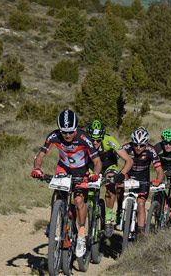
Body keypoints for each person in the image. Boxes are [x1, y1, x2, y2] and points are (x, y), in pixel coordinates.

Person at [30, 109, 102, 258]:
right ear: (59, 129)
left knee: (78, 200)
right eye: (64, 132)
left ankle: (81, 236)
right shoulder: (53, 136)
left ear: (75, 129)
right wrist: (37, 168)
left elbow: (97, 161)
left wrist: (95, 174)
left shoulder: (84, 138)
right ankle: (54, 219)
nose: (67, 135)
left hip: (82, 170)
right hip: (63, 167)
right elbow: (40, 155)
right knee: (57, 192)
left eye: (70, 132)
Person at [86, 120, 133, 238]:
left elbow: (129, 160)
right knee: (87, 188)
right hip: (92, 165)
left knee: (110, 186)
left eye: (98, 140)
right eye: (92, 139)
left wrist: (121, 174)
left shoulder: (109, 141)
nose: (95, 142)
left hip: (108, 165)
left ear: (102, 137)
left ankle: (108, 219)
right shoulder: (84, 141)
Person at [121, 126, 164, 234]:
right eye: (135, 144)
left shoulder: (151, 150)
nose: (138, 148)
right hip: (129, 175)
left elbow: (159, 170)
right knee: (117, 187)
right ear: (132, 142)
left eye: (142, 145)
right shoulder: (126, 147)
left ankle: (140, 232)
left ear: (147, 143)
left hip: (143, 178)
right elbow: (113, 158)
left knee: (140, 204)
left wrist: (158, 180)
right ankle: (118, 213)